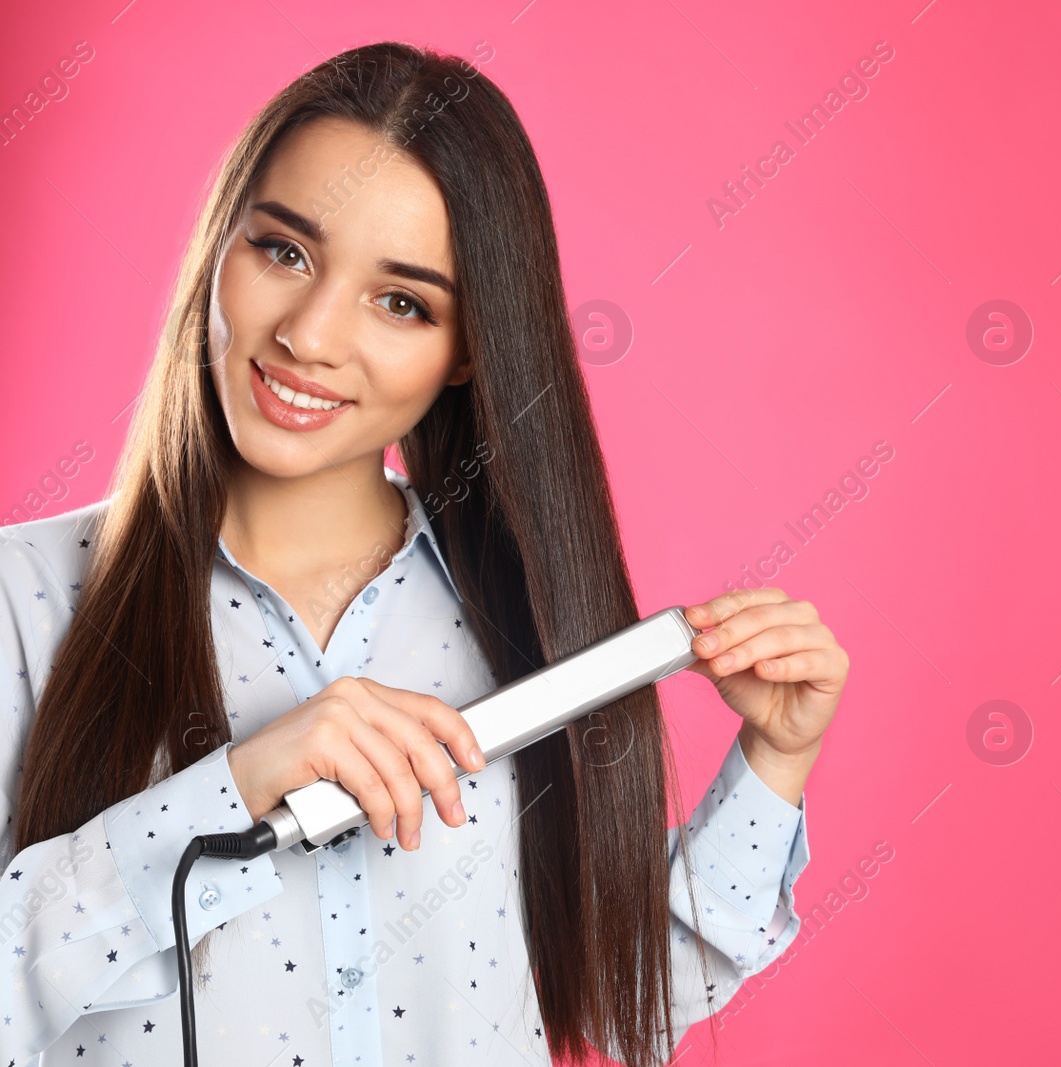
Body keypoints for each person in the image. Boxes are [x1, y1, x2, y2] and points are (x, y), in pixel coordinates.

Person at [0, 41, 848, 1065]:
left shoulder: (523, 622)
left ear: (469, 349)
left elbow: (626, 992)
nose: (311, 335)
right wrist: (236, 784)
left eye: (401, 302)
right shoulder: (24, 597)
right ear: (219, 243)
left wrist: (772, 763)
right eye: (284, 251)